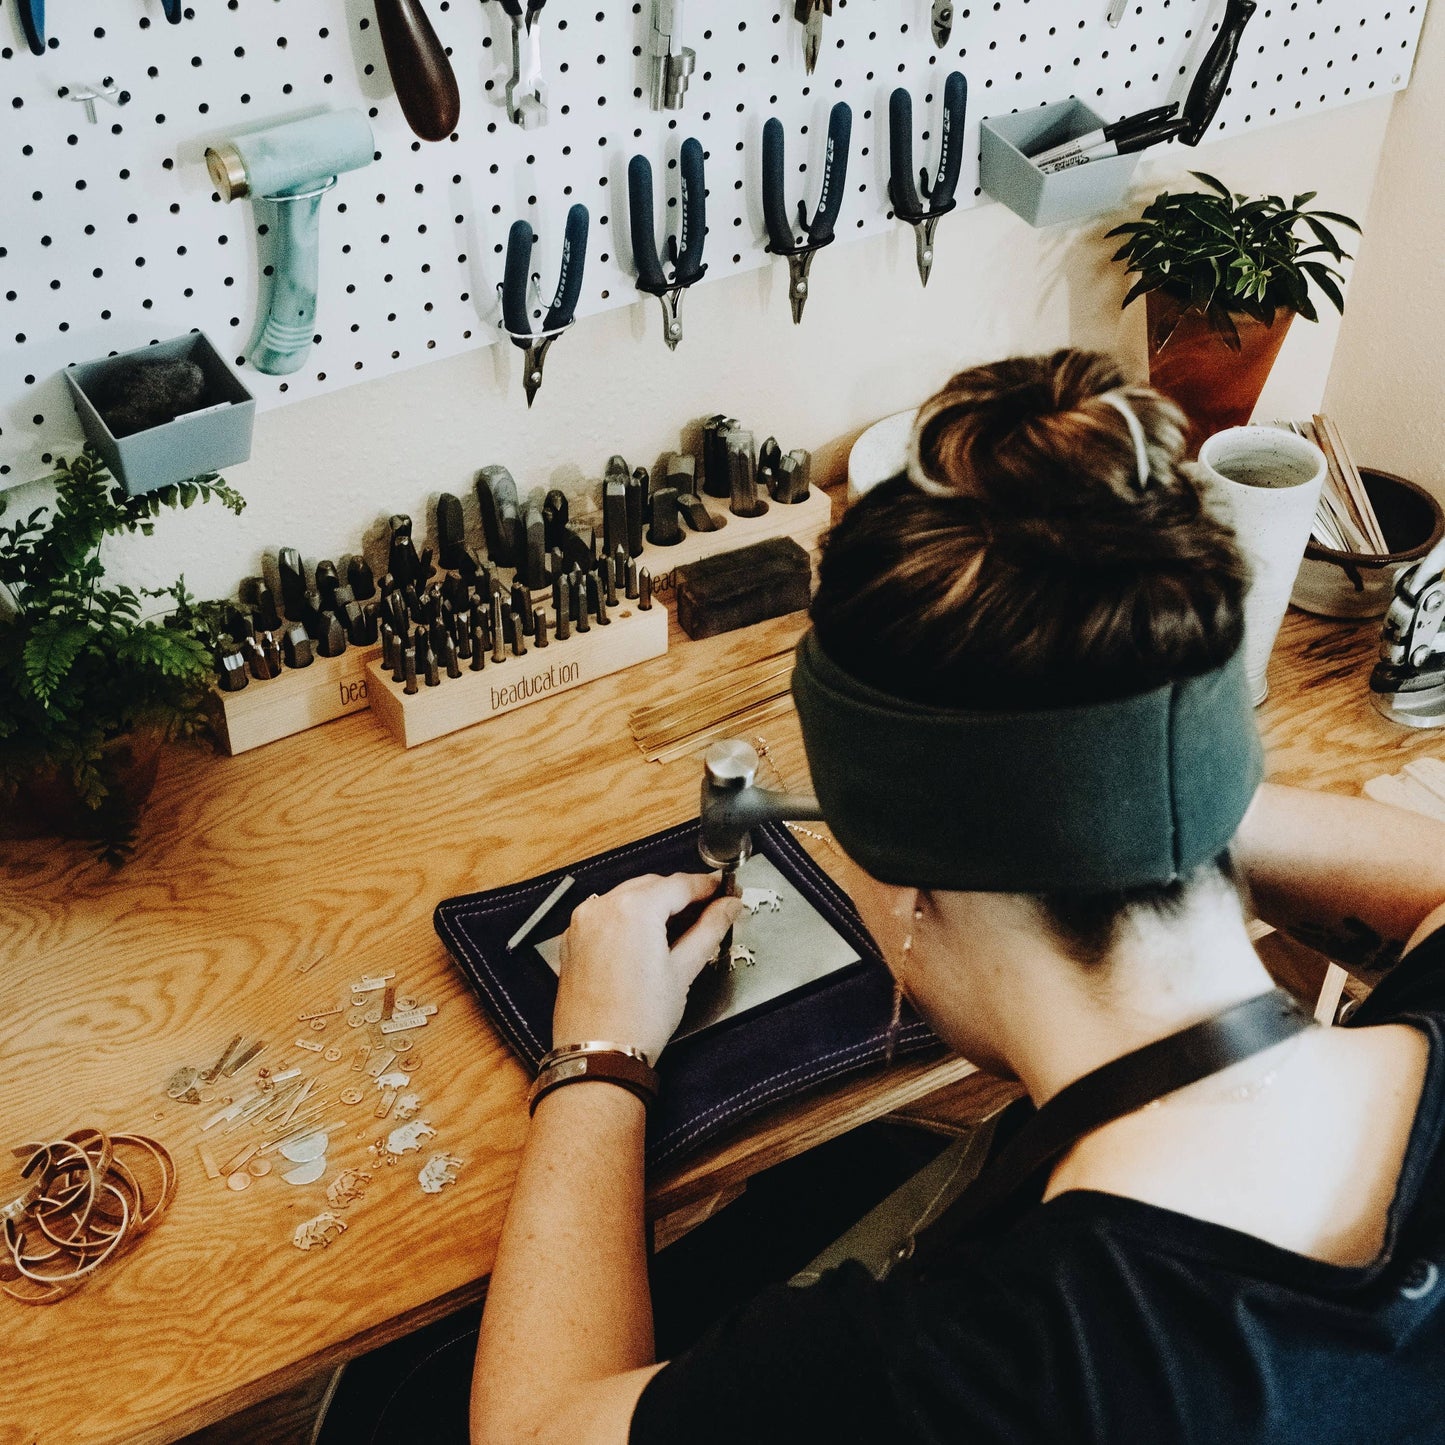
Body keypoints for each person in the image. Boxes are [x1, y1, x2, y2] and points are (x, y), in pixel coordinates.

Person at [461, 350, 1445, 1442]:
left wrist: (596, 1053)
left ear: (912, 883)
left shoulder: (981, 1369)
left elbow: (533, 1428)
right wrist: (1141, 779)